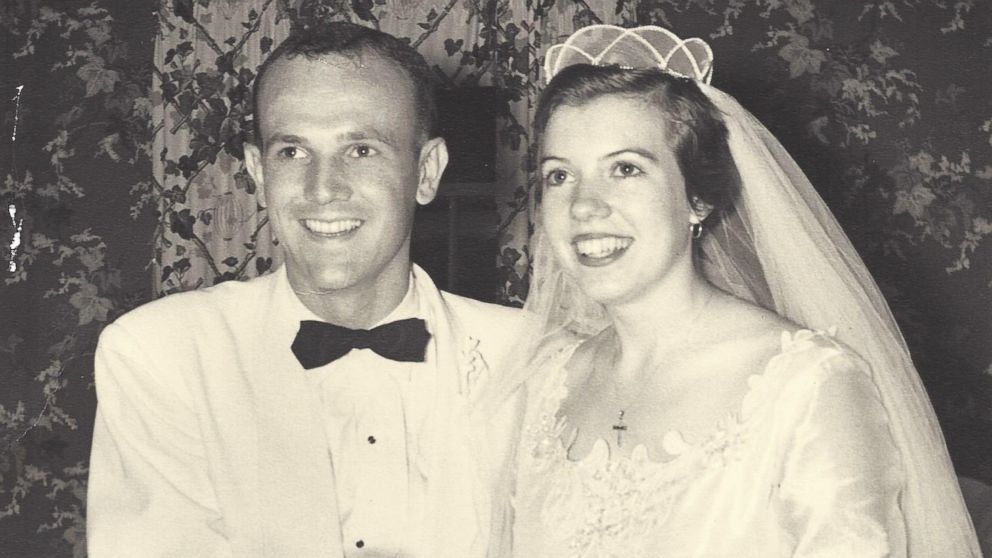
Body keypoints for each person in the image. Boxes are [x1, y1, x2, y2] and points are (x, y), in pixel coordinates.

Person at [501, 25, 981, 556]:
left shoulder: (806, 386)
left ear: (698, 199)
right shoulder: (546, 381)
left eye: (626, 168)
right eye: (559, 176)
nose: (585, 206)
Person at [87, 22, 521, 557]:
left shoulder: (530, 358)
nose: (322, 188)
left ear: (426, 171)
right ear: (258, 171)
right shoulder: (161, 354)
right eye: (292, 152)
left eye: (361, 150)